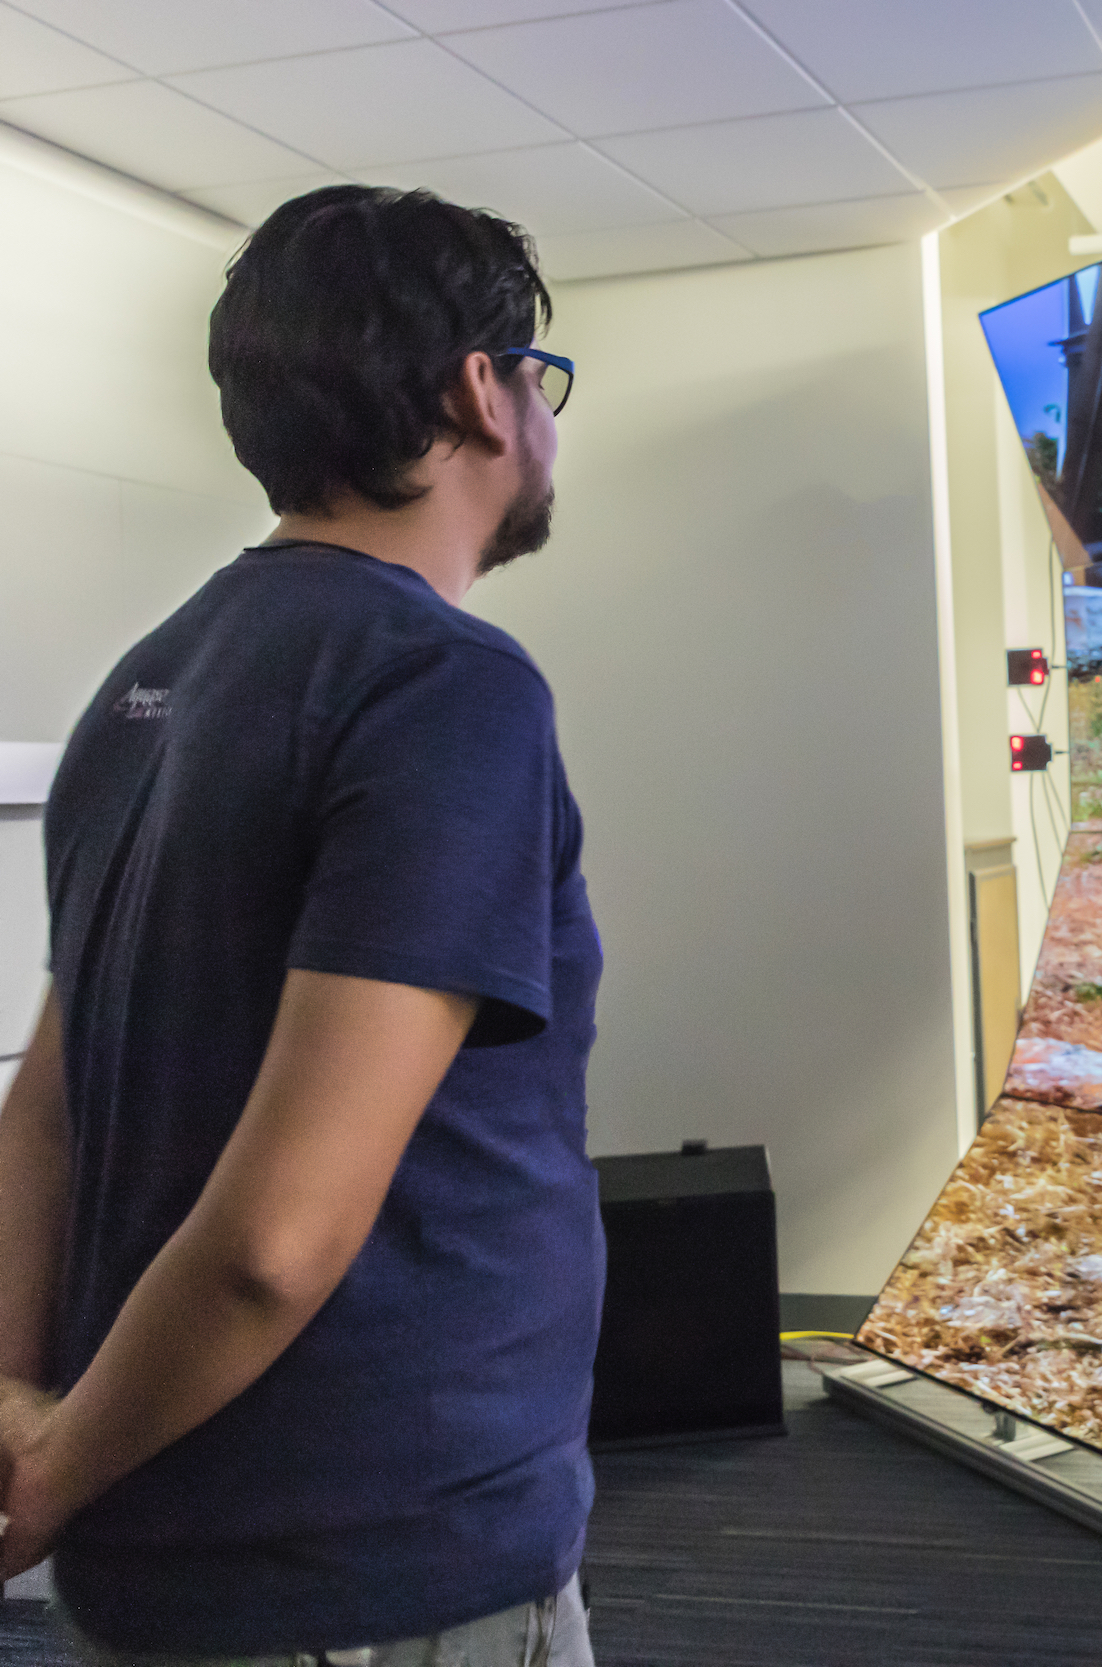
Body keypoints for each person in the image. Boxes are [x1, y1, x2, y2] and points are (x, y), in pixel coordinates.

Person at [0, 184, 601, 1666]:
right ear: (482, 388)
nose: (546, 416)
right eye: (545, 378)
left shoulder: (150, 682)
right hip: (384, 1567)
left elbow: (47, 1114)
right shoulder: (446, 688)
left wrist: (25, 1413)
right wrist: (49, 1479)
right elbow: (277, 1239)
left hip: (157, 1564)